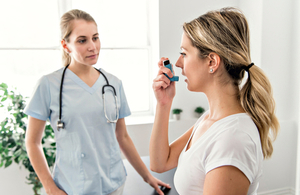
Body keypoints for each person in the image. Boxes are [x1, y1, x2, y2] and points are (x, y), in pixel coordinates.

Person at [25, 9, 170, 195]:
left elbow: (122, 137)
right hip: (72, 188)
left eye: (95, 38)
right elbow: (32, 143)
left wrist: (147, 176)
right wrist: (51, 188)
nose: (93, 46)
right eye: (82, 40)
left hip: (114, 185)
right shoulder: (48, 85)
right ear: (65, 45)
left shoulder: (113, 83)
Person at [150, 7, 279, 195]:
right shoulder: (209, 119)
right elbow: (160, 163)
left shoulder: (233, 138)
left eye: (184, 53)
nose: (178, 63)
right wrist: (163, 104)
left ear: (212, 62)